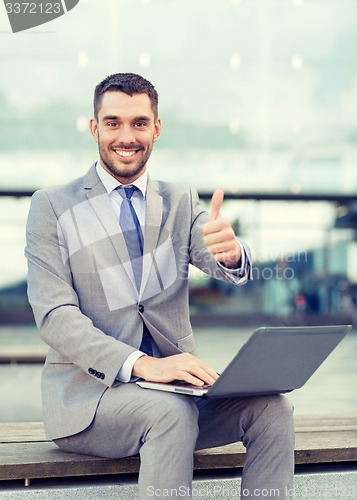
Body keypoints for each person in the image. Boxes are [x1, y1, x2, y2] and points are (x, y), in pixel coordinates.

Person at [25, 73, 294, 499]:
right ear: (95, 128)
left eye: (139, 123)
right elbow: (55, 317)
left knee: (272, 408)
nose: (126, 136)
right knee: (169, 412)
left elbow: (213, 252)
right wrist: (141, 364)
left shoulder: (181, 200)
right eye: (113, 123)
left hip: (177, 394)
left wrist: (231, 253)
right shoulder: (52, 206)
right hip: (90, 403)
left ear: (157, 128)